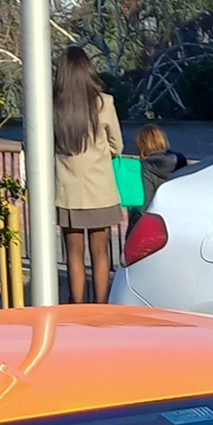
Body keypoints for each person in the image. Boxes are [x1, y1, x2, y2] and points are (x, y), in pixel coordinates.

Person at [52, 45, 123, 304]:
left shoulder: (53, 107)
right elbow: (117, 145)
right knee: (101, 253)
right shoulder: (104, 102)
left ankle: (76, 307)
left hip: (68, 193)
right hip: (100, 189)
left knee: (73, 254)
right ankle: (102, 308)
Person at [129, 123, 191, 222]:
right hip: (178, 219)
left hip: (150, 222)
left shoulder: (144, 166)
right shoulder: (180, 161)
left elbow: (143, 205)